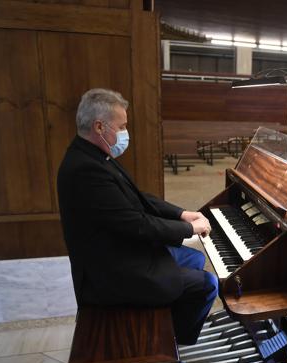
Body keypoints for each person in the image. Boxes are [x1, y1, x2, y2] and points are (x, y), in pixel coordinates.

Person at [57, 88, 218, 349]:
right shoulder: (85, 170)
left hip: (120, 251)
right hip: (110, 273)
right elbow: (137, 224)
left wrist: (180, 213)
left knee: (196, 258)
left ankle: (168, 321)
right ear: (99, 126)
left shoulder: (94, 156)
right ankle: (167, 347)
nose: (125, 133)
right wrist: (188, 229)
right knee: (208, 284)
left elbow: (138, 198)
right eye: (121, 126)